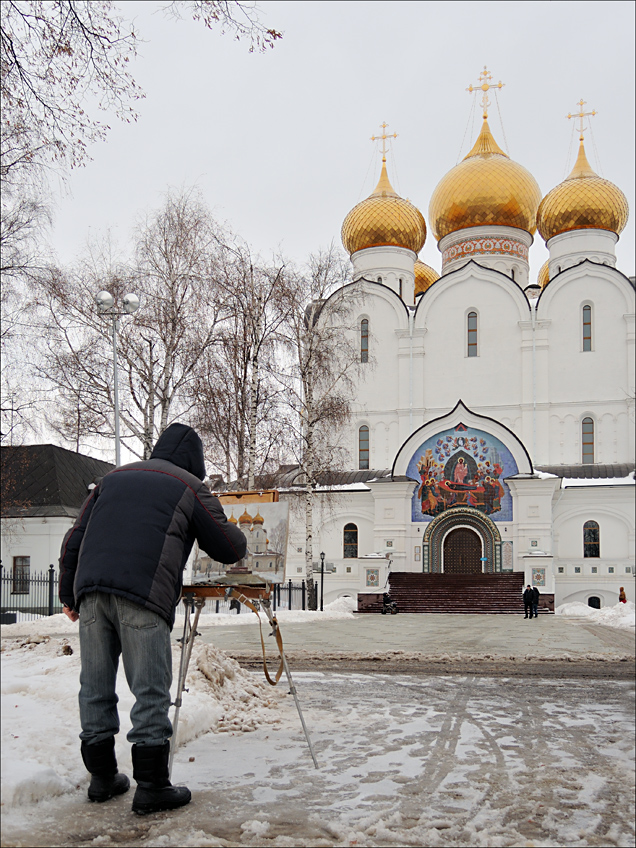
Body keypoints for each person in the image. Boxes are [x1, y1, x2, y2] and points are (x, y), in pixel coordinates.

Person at [59, 423, 247, 814]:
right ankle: (152, 787)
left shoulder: (112, 478)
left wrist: (68, 595)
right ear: (195, 461)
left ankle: (102, 779)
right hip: (143, 594)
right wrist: (239, 530)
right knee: (150, 691)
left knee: (94, 687)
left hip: (91, 593)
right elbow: (228, 547)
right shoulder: (190, 486)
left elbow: (74, 537)